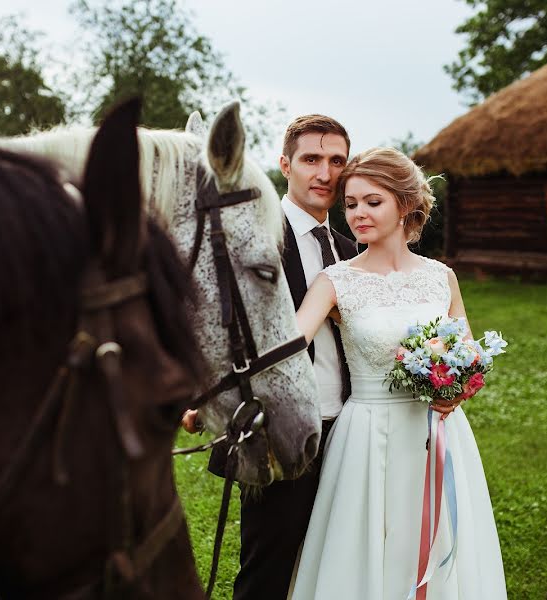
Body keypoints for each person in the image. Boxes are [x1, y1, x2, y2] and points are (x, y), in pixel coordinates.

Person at [289, 147, 507, 600]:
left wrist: (457, 389)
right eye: (350, 204)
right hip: (367, 434)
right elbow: (290, 344)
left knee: (435, 536)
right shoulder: (336, 280)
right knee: (366, 540)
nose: (358, 214)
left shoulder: (440, 277)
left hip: (438, 432)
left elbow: (464, 352)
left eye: (373, 202)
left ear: (404, 205)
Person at [181, 114, 358, 600]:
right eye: (311, 159)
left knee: (336, 564)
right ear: (285, 165)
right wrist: (195, 395)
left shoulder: (350, 249)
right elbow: (209, 312)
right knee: (268, 570)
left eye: (336, 160)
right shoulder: (251, 235)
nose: (325, 172)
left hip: (350, 432)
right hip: (274, 429)